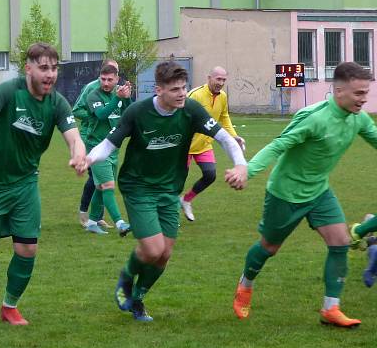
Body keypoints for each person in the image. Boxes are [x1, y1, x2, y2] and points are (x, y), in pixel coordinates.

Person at [82, 61, 246, 322]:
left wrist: (241, 165)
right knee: (153, 248)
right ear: (159, 90)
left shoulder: (191, 110)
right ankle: (126, 276)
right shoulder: (138, 112)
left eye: (184, 87)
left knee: (165, 254)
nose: (181, 93)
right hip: (138, 188)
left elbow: (225, 138)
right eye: (174, 89)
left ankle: (138, 298)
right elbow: (109, 144)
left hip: (169, 190)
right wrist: (88, 159)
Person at [228, 62, 377, 328]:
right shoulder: (314, 118)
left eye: (366, 93)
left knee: (340, 242)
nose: (363, 99)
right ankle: (245, 285)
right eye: (358, 93)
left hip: (319, 191)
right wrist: (246, 171)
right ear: (339, 90)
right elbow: (278, 145)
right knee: (269, 247)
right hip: (285, 193)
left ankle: (331, 309)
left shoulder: (359, 118)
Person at [0, 43, 86, 326]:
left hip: (26, 182)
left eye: (54, 69)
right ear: (27, 68)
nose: (50, 74)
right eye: (43, 68)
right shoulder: (8, 91)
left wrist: (79, 154)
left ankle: (9, 306)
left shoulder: (57, 103)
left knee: (27, 248)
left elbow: (74, 136)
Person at [180, 66, 246, 222]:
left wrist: (234, 136)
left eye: (224, 79)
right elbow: (179, 117)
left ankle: (186, 200)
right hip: (185, 146)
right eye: (218, 79)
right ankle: (168, 216)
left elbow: (224, 118)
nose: (221, 82)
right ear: (209, 78)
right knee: (177, 181)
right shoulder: (195, 95)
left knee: (210, 175)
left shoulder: (222, 96)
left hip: (204, 145)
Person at [79, 62, 132, 236]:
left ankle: (92, 222)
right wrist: (118, 98)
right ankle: (120, 223)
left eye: (110, 79)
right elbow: (102, 115)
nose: (106, 83)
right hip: (96, 147)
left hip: (113, 147)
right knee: (108, 185)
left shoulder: (119, 94)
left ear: (117, 79)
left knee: (101, 187)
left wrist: (127, 97)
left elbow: (129, 114)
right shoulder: (93, 95)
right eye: (103, 79)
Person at [72, 58, 119, 229]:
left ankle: (96, 218)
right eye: (105, 76)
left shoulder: (116, 91)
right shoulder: (92, 89)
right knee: (96, 178)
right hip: (90, 136)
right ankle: (86, 214)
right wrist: (93, 117)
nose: (108, 81)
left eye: (113, 75)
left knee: (101, 179)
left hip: (108, 139)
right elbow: (76, 110)